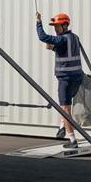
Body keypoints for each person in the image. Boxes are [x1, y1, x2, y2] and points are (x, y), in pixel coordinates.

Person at [36, 12, 84, 149]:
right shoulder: (74, 38)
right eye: (54, 26)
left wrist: (38, 22)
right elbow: (65, 51)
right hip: (77, 78)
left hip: (65, 79)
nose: (56, 29)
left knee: (65, 108)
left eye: (57, 26)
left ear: (65, 25)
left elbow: (42, 37)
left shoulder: (62, 39)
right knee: (67, 105)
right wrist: (53, 47)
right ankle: (62, 125)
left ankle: (72, 140)